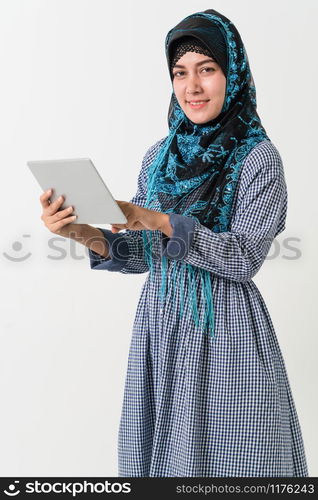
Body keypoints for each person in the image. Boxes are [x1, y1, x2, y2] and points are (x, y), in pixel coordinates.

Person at [40, 8, 309, 477]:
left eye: (207, 69)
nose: (193, 87)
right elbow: (143, 255)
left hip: (227, 334)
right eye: (180, 73)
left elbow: (243, 257)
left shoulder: (258, 158)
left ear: (233, 75)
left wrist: (159, 219)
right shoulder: (158, 157)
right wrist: (76, 230)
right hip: (159, 328)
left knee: (234, 467)